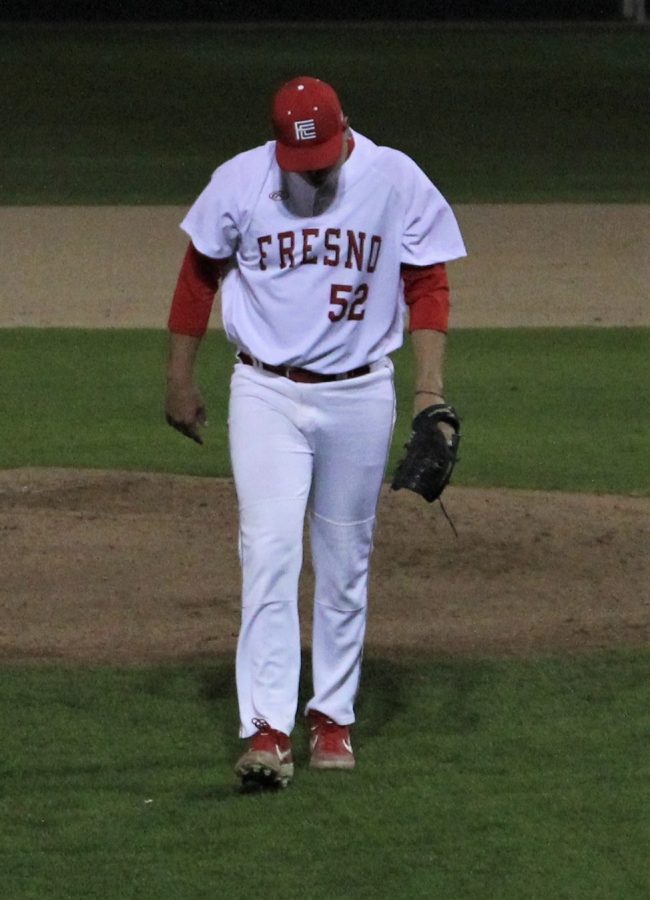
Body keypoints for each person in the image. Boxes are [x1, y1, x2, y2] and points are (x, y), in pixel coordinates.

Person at [165, 76, 466, 789]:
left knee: (344, 557)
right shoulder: (241, 182)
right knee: (267, 551)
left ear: (346, 130)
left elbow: (429, 283)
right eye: (303, 163)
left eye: (325, 158)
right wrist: (180, 375)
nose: (316, 174)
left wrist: (428, 389)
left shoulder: (393, 177)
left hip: (360, 394)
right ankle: (266, 729)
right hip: (265, 390)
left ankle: (332, 715)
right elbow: (198, 272)